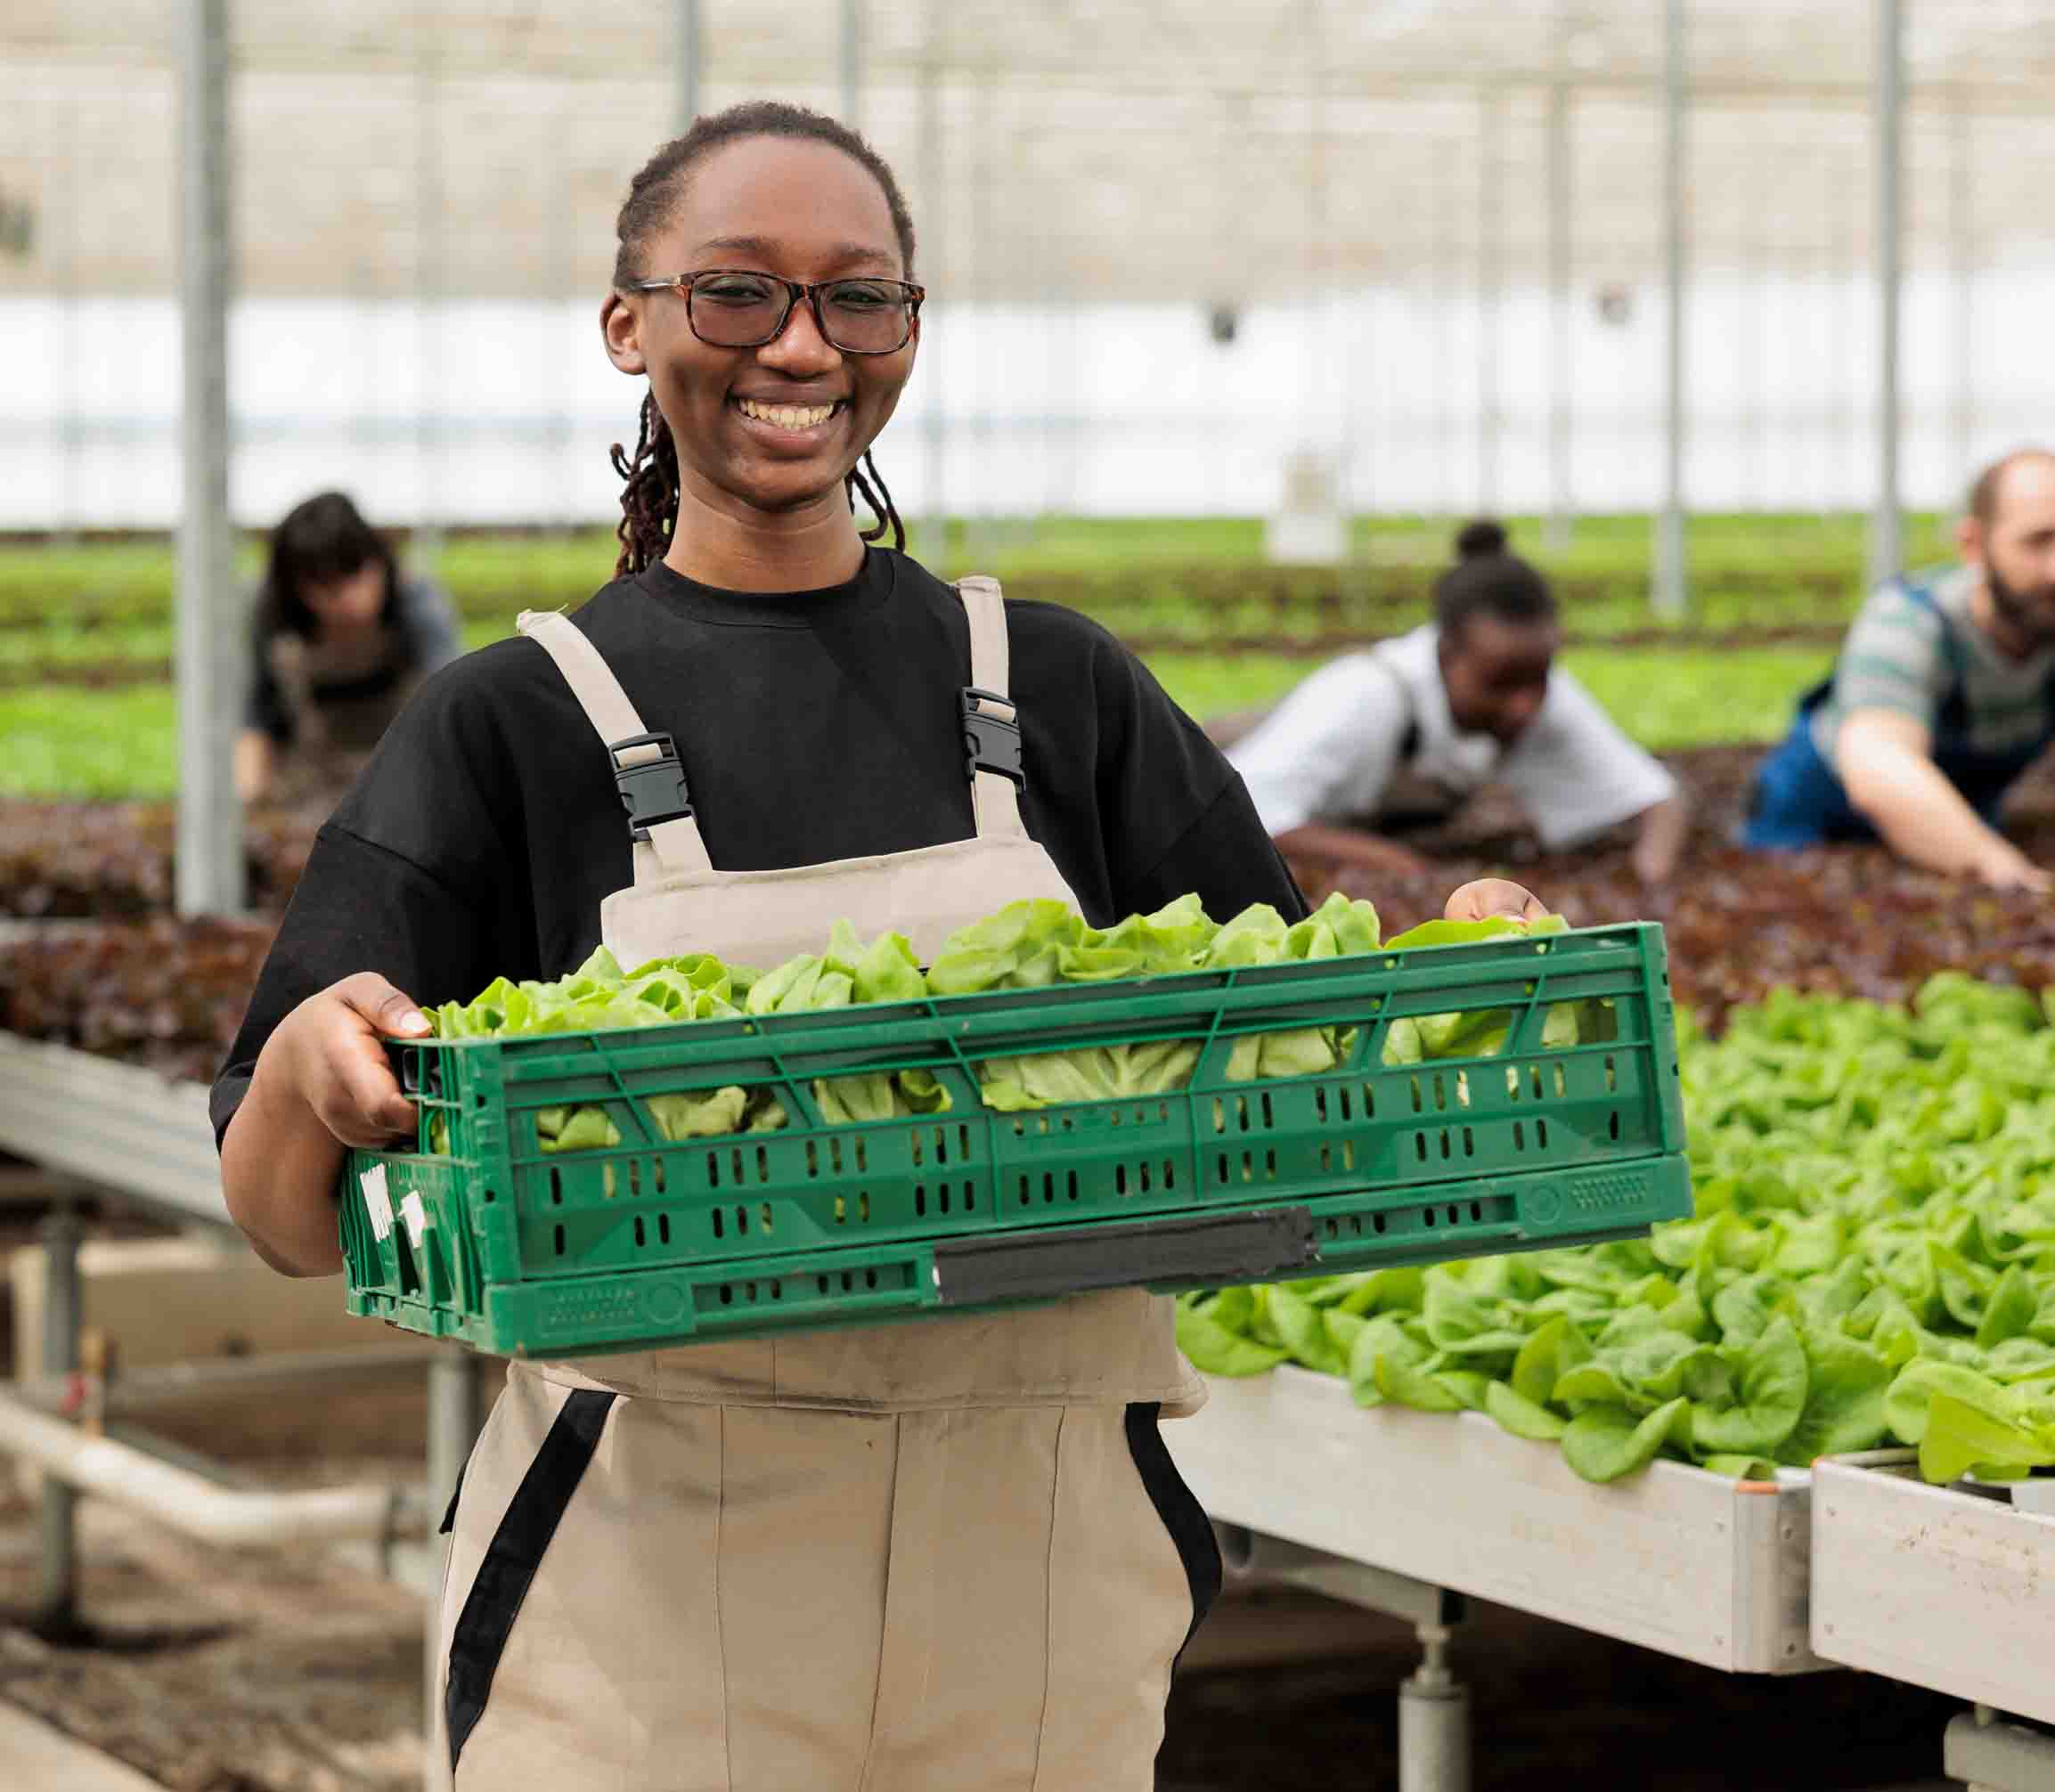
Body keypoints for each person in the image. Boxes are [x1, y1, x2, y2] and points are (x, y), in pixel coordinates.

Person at [209, 102, 1545, 1791]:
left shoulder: (1055, 692)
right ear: (628, 323)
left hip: (1042, 1578)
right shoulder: (511, 724)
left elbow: (1277, 1070)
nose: (800, 345)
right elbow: (273, 1215)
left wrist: (1450, 978)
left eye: (859, 298)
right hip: (654, 1597)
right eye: (734, 294)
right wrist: (329, 1065)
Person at [1229, 521, 1689, 890]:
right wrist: (1400, 866)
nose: (1525, 707)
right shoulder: (1363, 695)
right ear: (1447, 655)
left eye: (1539, 680)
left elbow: (1657, 800)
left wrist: (1651, 881)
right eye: (1501, 685)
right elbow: (1245, 815)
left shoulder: (1535, 688)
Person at [1744, 448, 2055, 890]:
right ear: (1974, 545)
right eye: (2037, 541)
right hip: (1816, 834)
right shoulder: (1908, 623)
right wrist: (1998, 866)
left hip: (1953, 829)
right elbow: (1879, 766)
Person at [235, 492, 460, 804]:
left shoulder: (416, 603)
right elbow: (259, 715)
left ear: (378, 560)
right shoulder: (272, 615)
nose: (348, 597)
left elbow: (451, 707)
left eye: (355, 573)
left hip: (403, 794)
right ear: (297, 587)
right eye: (325, 586)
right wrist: (248, 808)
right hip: (308, 793)